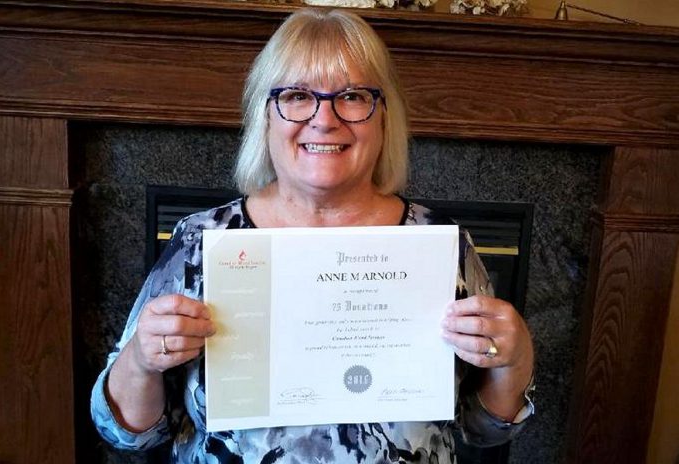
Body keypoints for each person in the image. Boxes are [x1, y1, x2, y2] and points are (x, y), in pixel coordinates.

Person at [91, 7, 535, 463]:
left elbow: (483, 431)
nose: (324, 119)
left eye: (353, 96)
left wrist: (514, 358)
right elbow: (128, 434)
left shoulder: (440, 244)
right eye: (299, 95)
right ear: (266, 116)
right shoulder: (201, 242)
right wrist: (142, 362)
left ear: (383, 117)